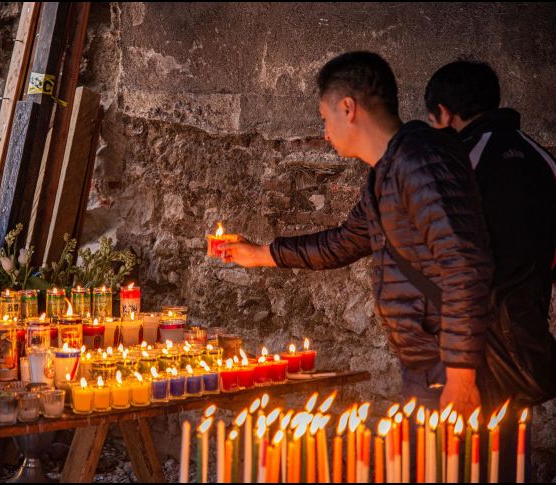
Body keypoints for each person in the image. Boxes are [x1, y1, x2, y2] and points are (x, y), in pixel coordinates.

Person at [220, 51, 495, 420]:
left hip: (451, 365)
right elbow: (344, 242)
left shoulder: (420, 160)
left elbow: (462, 263)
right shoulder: (387, 172)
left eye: (325, 118)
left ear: (348, 108)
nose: (325, 133)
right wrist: (260, 254)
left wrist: (461, 376)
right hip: (427, 363)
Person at [425, 59, 556, 481]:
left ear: (444, 113)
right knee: (511, 450)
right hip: (526, 333)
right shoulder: (543, 159)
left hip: (471, 344)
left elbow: (449, 261)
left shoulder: (458, 163)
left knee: (462, 461)